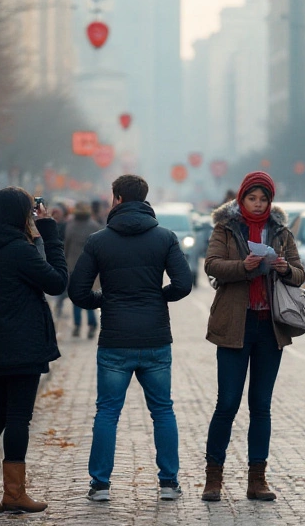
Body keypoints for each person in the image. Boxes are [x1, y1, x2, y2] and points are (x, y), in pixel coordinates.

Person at [69, 175, 193, 503]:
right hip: (154, 337)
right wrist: (157, 296)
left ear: (118, 198)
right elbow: (183, 283)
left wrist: (105, 299)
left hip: (114, 339)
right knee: (163, 410)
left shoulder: (99, 241)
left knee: (107, 412)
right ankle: (168, 482)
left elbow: (77, 291)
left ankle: (100, 485)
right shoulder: (164, 238)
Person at [201, 172, 305, 503]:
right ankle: (213, 478)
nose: (258, 204)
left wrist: (285, 269)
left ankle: (257, 479)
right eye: (252, 198)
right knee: (227, 403)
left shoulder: (281, 232)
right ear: (242, 199)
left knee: (261, 405)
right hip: (235, 324)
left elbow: (300, 274)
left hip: (268, 327)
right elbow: (212, 265)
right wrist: (244, 266)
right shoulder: (226, 228)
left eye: (263, 199)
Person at [0, 187, 67, 514]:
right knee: (19, 418)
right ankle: (14, 493)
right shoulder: (19, 251)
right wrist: (50, 235)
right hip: (23, 348)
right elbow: (56, 282)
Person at [62, 202, 102, 337]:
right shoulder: (94, 226)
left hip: (74, 266)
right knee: (90, 296)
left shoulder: (71, 226)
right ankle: (92, 325)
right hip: (92, 267)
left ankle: (77, 325)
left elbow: (66, 247)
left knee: (76, 297)